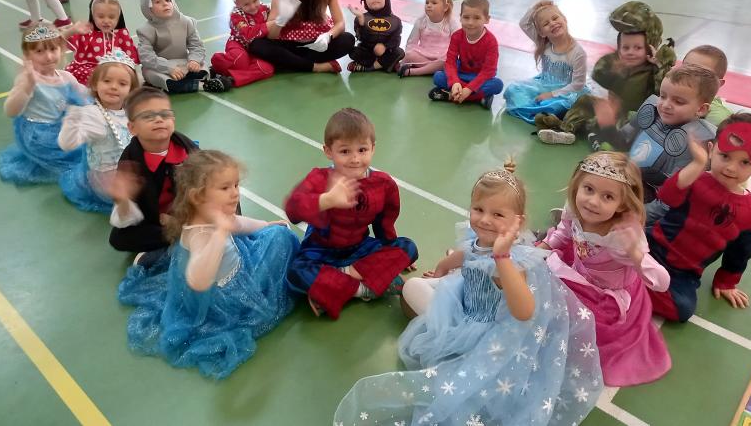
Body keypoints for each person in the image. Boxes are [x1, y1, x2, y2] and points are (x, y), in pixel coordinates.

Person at [336, 162, 602, 426]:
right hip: (464, 297)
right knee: (415, 286)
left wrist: (501, 258)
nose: (484, 219)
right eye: (478, 209)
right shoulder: (481, 237)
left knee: (412, 297)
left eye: (497, 215)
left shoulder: (510, 262)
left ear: (517, 222)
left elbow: (525, 312)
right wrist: (442, 268)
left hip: (482, 329)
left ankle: (448, 320)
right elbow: (469, 252)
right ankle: (448, 284)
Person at [117, 150, 298, 379]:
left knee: (272, 232)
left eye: (236, 185)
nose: (235, 193)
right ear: (197, 197)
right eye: (225, 188)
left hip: (235, 264)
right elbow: (199, 281)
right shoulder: (200, 234)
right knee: (281, 239)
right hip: (227, 299)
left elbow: (238, 223)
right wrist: (220, 233)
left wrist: (265, 224)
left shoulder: (215, 215)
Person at [541, 152, 671, 386]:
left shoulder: (622, 237)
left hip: (605, 297)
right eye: (588, 189)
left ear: (622, 204)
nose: (593, 201)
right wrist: (544, 246)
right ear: (577, 184)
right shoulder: (574, 208)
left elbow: (662, 282)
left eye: (607, 196)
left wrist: (635, 254)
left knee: (567, 323)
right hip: (578, 273)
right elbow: (564, 232)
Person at [285, 109, 418, 318]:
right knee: (295, 273)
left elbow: (384, 223)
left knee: (408, 248)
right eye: (345, 151)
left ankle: (336, 285)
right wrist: (327, 199)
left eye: (362, 150)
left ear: (373, 148)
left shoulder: (383, 184)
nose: (355, 159)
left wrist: (392, 256)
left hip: (359, 248)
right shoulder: (320, 178)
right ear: (328, 151)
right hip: (321, 250)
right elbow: (292, 210)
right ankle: (364, 289)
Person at [646, 113, 751, 322]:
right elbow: (666, 195)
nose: (731, 167)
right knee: (616, 241)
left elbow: (739, 253)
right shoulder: (694, 178)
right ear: (711, 150)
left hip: (682, 274)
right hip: (649, 246)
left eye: (745, 162)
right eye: (725, 156)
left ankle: (631, 283)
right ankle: (630, 278)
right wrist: (697, 164)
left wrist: (726, 282)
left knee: (682, 308)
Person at [537, 1, 675, 145]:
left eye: (638, 48)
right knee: (585, 101)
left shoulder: (654, 69)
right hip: (612, 109)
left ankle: (599, 133)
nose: (630, 52)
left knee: (625, 120)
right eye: (625, 48)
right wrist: (613, 71)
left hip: (633, 116)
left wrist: (658, 66)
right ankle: (567, 130)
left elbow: (662, 93)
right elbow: (598, 76)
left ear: (649, 48)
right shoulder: (617, 61)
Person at [595, 64, 718, 202]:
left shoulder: (697, 142)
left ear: (701, 109)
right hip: (626, 174)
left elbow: (673, 194)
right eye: (663, 96)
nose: (665, 105)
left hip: (650, 194)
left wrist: (643, 212)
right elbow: (622, 143)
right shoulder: (651, 113)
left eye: (678, 101)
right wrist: (608, 127)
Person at [107, 87, 197, 262]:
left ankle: (180, 238)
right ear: (132, 128)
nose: (159, 119)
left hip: (191, 214)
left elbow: (210, 183)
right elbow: (128, 217)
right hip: (155, 220)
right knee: (118, 238)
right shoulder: (130, 161)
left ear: (173, 120)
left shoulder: (188, 150)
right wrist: (123, 200)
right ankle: (184, 237)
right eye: (148, 116)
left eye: (165, 114)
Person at [0, 25, 87, 185]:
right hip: (39, 136)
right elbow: (10, 111)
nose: (49, 57)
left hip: (60, 125)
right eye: (39, 51)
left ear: (61, 49)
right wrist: (28, 86)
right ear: (27, 55)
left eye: (53, 49)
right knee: (79, 156)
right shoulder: (28, 80)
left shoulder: (66, 77)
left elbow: (84, 98)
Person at [58, 50, 138, 213]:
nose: (114, 87)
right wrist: (71, 120)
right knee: (144, 195)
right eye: (107, 81)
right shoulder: (93, 115)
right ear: (95, 84)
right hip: (107, 177)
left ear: (131, 90)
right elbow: (67, 144)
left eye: (122, 84)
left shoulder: (129, 110)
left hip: (130, 166)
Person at [504, 0, 588, 124]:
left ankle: (542, 112)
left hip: (566, 92)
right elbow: (524, 24)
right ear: (541, 33)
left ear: (564, 19)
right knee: (512, 90)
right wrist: (536, 6)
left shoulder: (578, 52)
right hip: (543, 84)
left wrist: (551, 94)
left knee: (556, 105)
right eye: (546, 23)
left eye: (555, 18)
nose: (552, 23)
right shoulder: (544, 44)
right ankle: (542, 114)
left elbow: (578, 85)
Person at [136, 0, 224, 94]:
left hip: (184, 63)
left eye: (167, 0)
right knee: (150, 74)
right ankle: (200, 85)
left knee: (202, 66)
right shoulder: (146, 30)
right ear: (148, 9)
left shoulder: (186, 22)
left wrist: (194, 60)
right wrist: (167, 68)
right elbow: (146, 57)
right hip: (161, 67)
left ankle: (190, 80)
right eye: (157, 2)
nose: (165, 4)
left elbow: (196, 45)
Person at [429, 0, 503, 109]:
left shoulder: (491, 42)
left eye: (477, 18)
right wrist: (455, 82)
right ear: (460, 17)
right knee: (438, 77)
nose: (470, 22)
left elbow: (489, 71)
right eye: (466, 17)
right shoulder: (457, 36)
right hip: (461, 75)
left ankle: (451, 96)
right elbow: (450, 62)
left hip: (480, 77)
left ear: (487, 19)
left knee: (497, 85)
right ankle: (478, 98)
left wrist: (469, 89)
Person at [65, 0, 139, 86]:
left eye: (111, 17)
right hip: (91, 71)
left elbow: (130, 57)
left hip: (115, 71)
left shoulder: (121, 34)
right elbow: (60, 41)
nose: (106, 21)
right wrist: (72, 31)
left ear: (118, 18)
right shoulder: (86, 33)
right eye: (101, 16)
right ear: (93, 16)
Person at [209, 0, 273, 89]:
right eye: (246, 4)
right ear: (237, 3)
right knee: (240, 60)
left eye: (255, 1)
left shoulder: (264, 9)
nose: (253, 6)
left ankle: (232, 79)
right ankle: (216, 64)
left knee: (267, 68)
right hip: (238, 45)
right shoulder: (236, 15)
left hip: (255, 50)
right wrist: (267, 26)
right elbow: (247, 34)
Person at [398, 0, 458, 77]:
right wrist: (408, 55)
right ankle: (433, 69)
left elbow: (457, 43)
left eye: (434, 3)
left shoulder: (451, 23)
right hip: (423, 55)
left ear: (445, 7)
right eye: (427, 2)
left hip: (441, 56)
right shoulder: (421, 21)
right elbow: (411, 42)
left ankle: (414, 72)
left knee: (448, 60)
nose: (429, 5)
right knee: (409, 55)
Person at [347, 0, 404, 73]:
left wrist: (385, 46)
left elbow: (396, 39)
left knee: (399, 52)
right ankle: (386, 64)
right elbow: (361, 38)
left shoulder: (395, 20)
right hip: (368, 51)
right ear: (365, 1)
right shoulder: (361, 18)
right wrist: (361, 21)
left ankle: (370, 67)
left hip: (386, 52)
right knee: (353, 52)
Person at [682, 45, 732, 126]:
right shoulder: (666, 95)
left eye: (700, 74)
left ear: (718, 84)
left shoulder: (719, 119)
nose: (687, 76)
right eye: (684, 69)